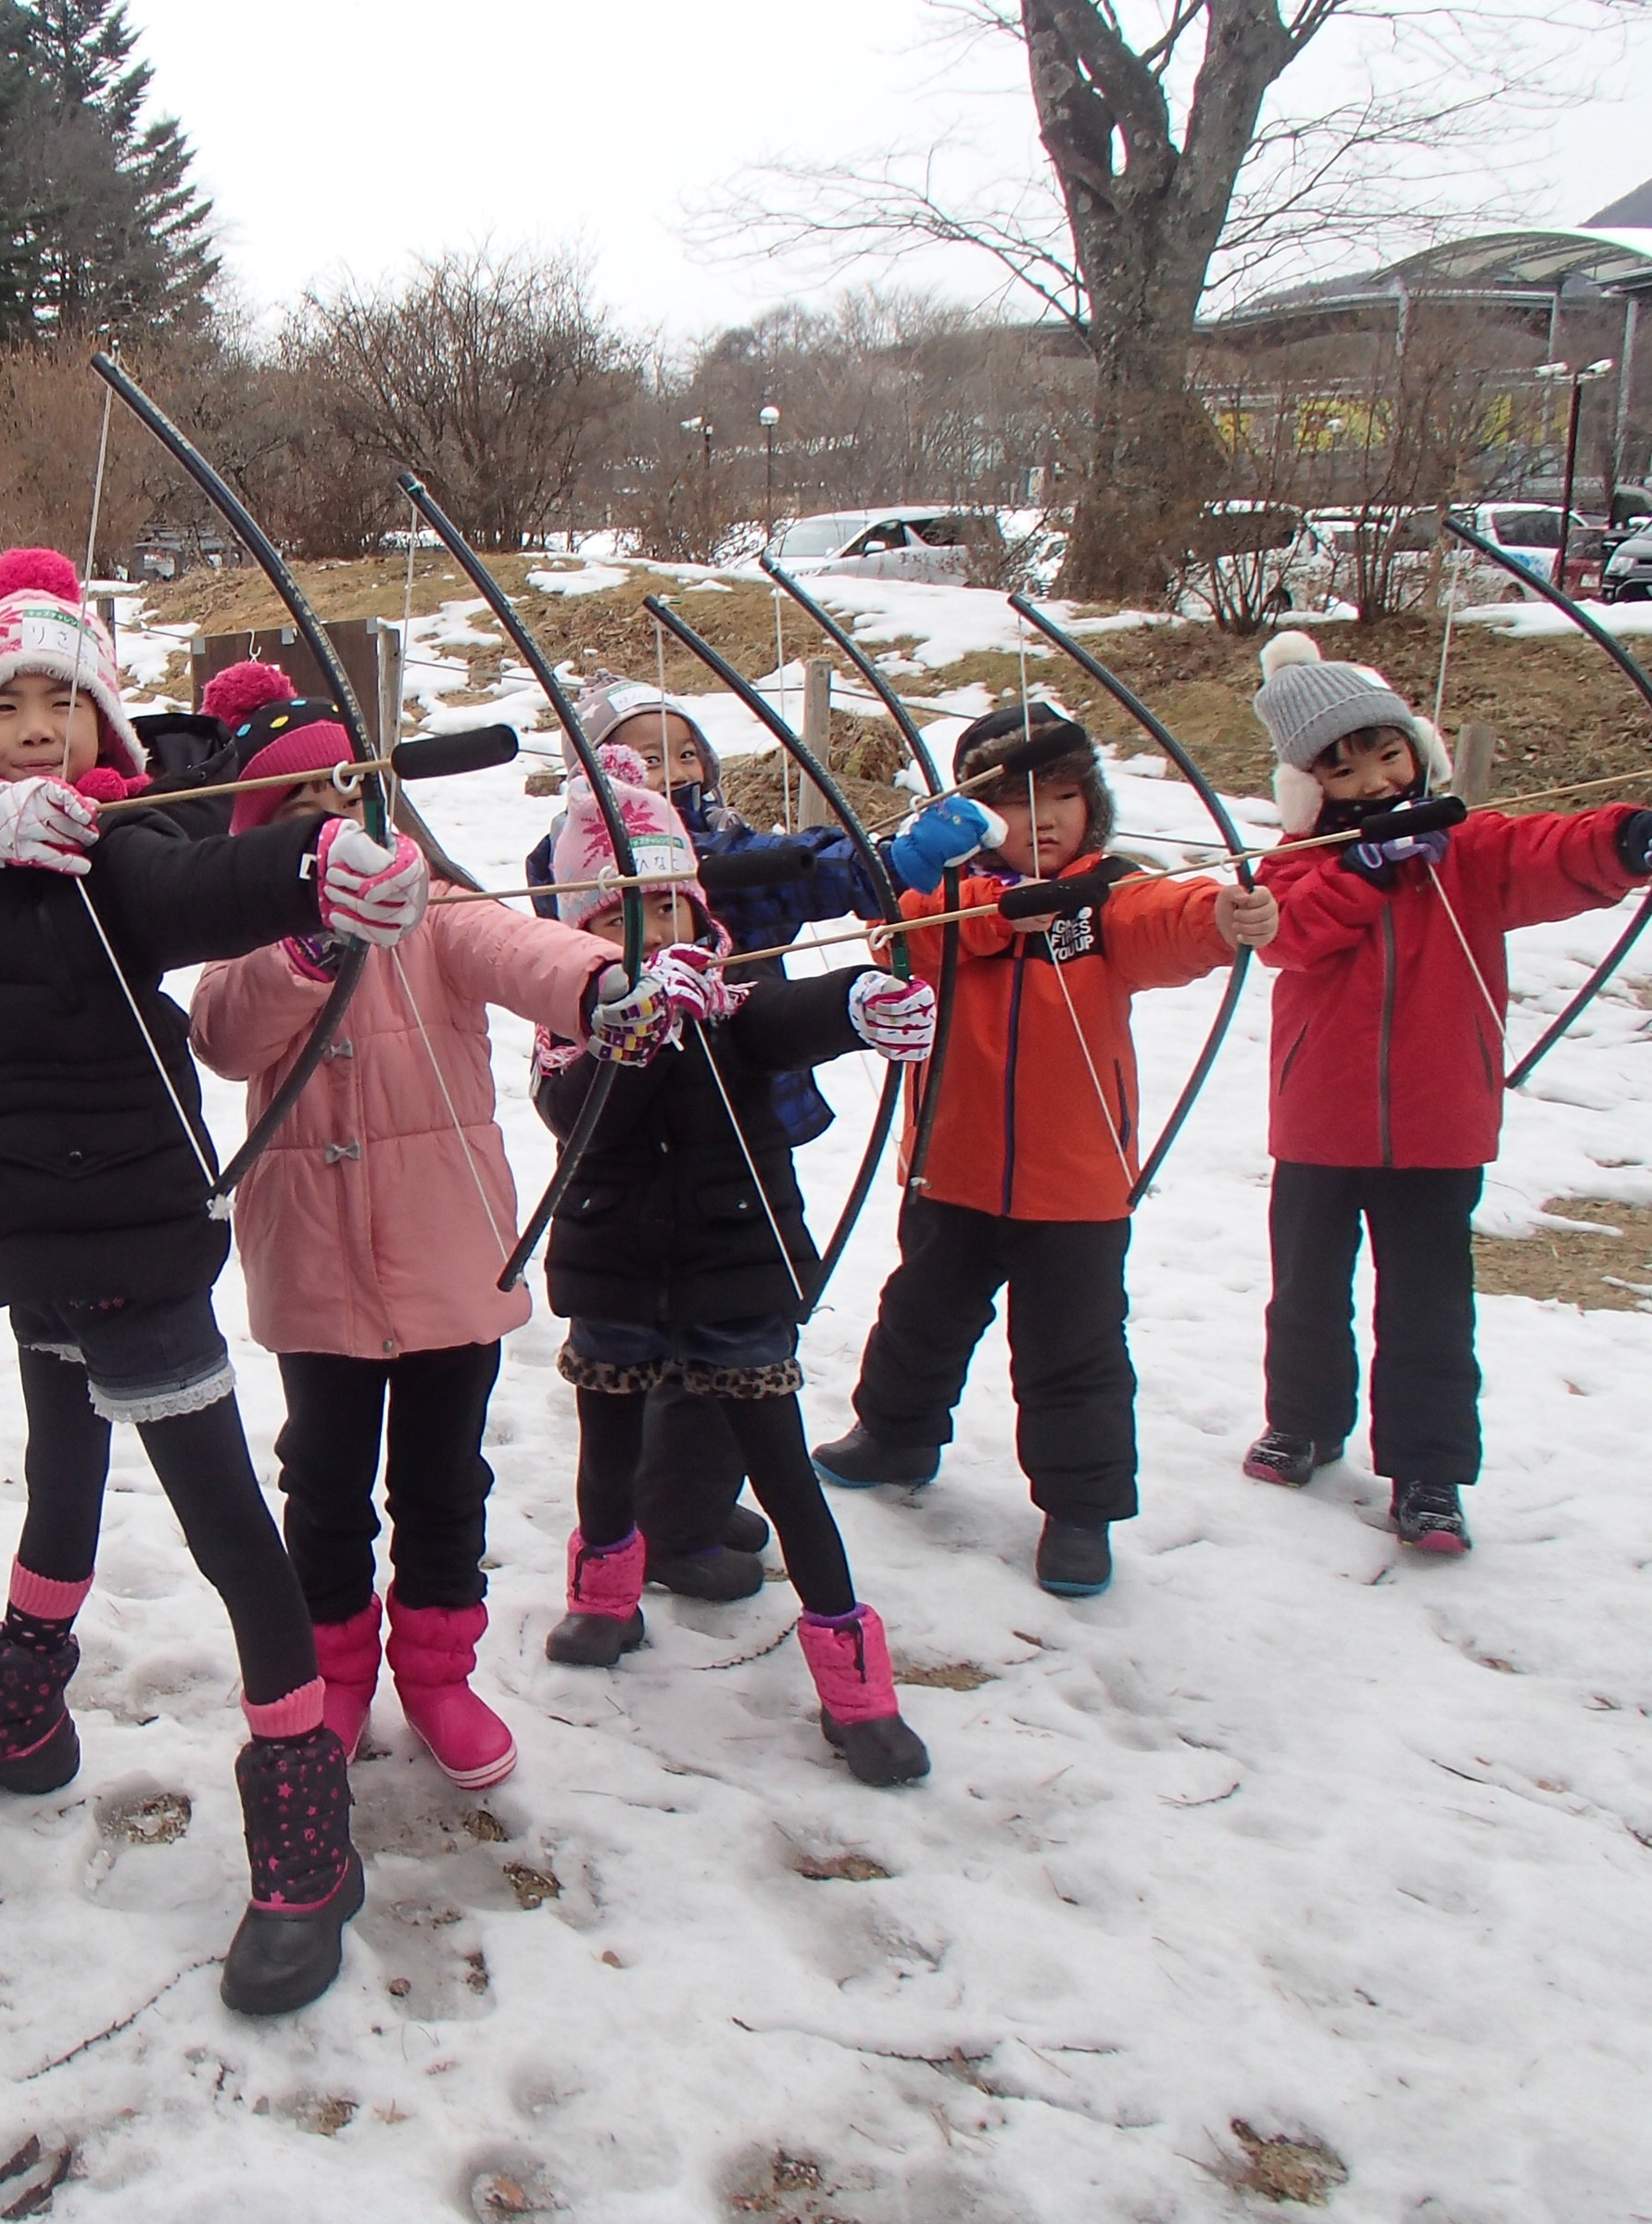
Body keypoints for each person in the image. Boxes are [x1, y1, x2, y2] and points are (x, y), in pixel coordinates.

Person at [0, 548, 431, 2017]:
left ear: (109, 738)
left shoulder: (118, 858)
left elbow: (212, 880)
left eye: (61, 706)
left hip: (130, 1243)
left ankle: (301, 1816)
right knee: (57, 1477)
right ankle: (23, 1713)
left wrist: (314, 872)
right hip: (19, 1231)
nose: (35, 728)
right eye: (5, 707)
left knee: (225, 1526)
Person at [190, 662, 621, 1790]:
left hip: (444, 1261)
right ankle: (331, 1676)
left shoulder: (437, 909)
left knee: (442, 1483)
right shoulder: (248, 943)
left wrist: (601, 981)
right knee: (322, 1484)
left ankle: (437, 1675)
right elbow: (224, 1037)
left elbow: (521, 952)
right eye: (297, 814)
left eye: (344, 798)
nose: (330, 826)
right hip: (314, 1275)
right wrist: (308, 946)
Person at [527, 756, 942, 1787]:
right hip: (615, 1272)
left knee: (787, 1479)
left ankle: (855, 1689)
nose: (658, 932)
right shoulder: (564, 1032)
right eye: (625, 914)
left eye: (672, 905)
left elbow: (784, 1017)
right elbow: (577, 1118)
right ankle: (603, 1605)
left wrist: (861, 1003)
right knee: (606, 1452)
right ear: (576, 934)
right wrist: (625, 1031)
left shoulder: (732, 998)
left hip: (733, 1275)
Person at [809, 704, 1280, 1598]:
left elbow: (1160, 919)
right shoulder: (941, 892)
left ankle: (1081, 1509)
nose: (1051, 817)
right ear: (978, 815)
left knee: (1076, 1350)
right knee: (922, 1315)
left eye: (1067, 796)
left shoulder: (1108, 893)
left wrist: (1220, 917)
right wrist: (1002, 911)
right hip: (953, 1161)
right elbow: (900, 937)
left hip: (1076, 1183)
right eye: (1024, 802)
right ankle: (896, 1434)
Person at [1242, 631, 1652, 1551]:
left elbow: (1553, 850)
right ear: (1312, 790)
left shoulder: (1465, 847)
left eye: (1386, 753)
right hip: (1318, 1119)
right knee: (1305, 1289)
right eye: (1342, 770)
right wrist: (1364, 870)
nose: (1373, 780)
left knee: (1428, 1300)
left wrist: (1625, 841)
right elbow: (1288, 936)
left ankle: (1426, 1471)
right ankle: (1302, 1422)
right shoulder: (1299, 862)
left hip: (1438, 1121)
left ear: (1414, 750)